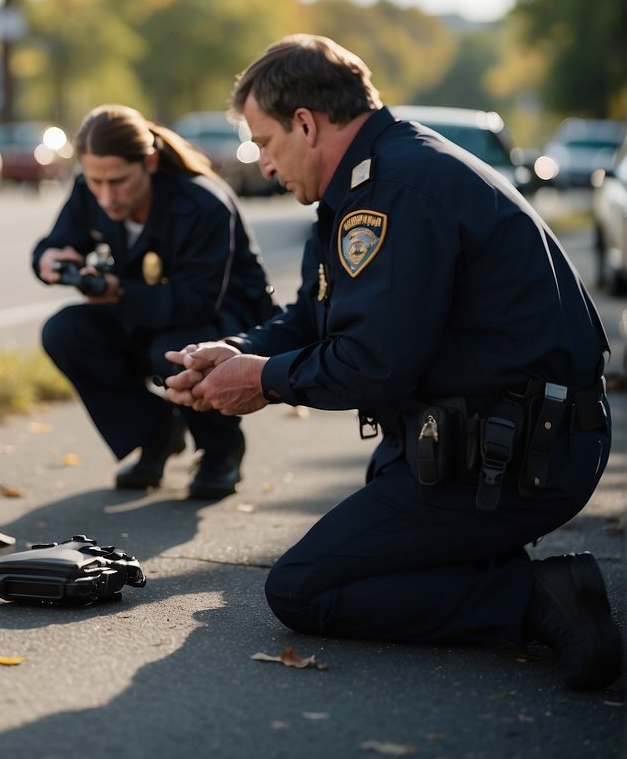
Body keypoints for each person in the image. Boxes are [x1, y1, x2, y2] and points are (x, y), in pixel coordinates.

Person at [164, 34, 620, 690]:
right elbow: (314, 315)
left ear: (305, 123)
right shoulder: (375, 173)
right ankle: (484, 565)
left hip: (522, 459)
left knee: (302, 589)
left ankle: (537, 599)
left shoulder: (392, 191)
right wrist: (238, 351)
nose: (260, 164)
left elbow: (372, 367)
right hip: (489, 442)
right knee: (358, 562)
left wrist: (261, 382)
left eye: (263, 142)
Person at [32, 103, 276, 499]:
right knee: (65, 331)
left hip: (227, 322)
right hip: (148, 308)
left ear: (148, 162)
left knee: (175, 351)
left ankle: (221, 448)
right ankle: (156, 434)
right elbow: (56, 242)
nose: (106, 195)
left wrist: (118, 291)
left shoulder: (202, 202)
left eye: (118, 181)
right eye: (95, 181)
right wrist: (49, 257)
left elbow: (197, 301)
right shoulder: (90, 189)